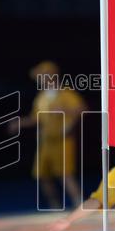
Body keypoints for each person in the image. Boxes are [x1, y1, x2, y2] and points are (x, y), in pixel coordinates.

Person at [14, 61, 86, 209]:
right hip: (46, 141)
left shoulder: (65, 93)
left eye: (41, 76)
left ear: (50, 76)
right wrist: (20, 123)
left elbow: (81, 109)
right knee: (41, 174)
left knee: (65, 173)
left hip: (63, 140)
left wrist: (66, 113)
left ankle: (78, 201)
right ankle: (54, 204)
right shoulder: (41, 97)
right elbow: (36, 118)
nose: (38, 79)